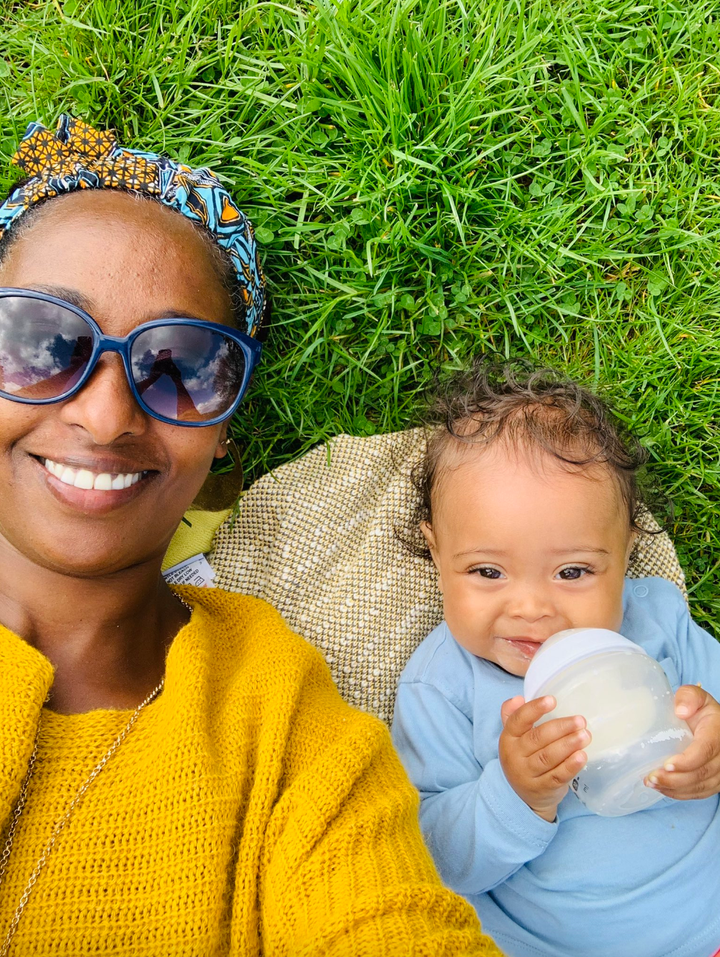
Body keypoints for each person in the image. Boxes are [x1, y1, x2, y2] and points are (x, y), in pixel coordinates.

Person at [0, 116, 502, 956]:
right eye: (44, 341)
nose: (106, 413)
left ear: (225, 425)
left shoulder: (283, 716)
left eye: (180, 362)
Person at [391, 365, 720, 957]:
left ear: (627, 553)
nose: (532, 608)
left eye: (573, 572)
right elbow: (431, 854)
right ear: (437, 553)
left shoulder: (659, 622)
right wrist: (517, 795)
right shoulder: (441, 685)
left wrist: (714, 743)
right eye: (487, 572)